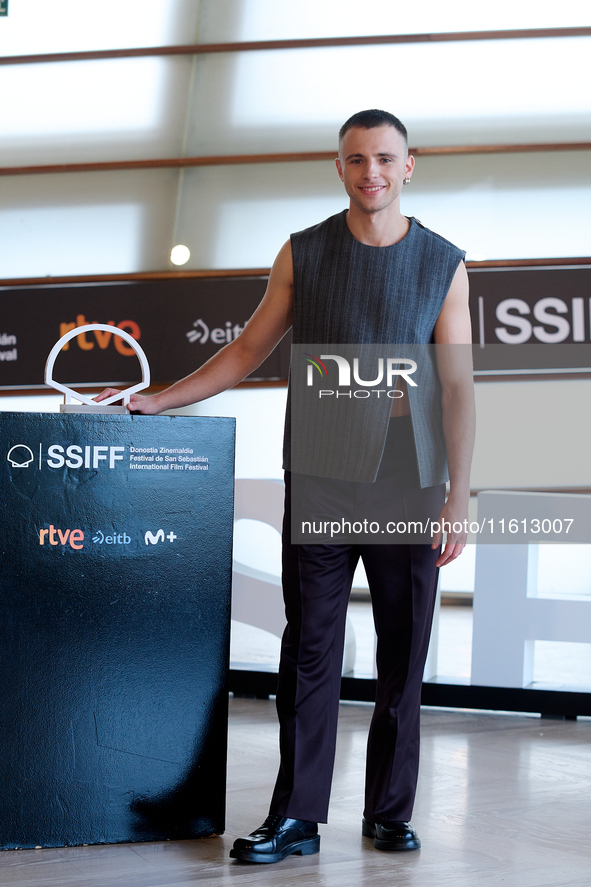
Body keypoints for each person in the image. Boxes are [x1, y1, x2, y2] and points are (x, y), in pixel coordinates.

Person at [97, 109, 475, 864]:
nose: (370, 170)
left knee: (403, 653)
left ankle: (388, 811)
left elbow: (458, 384)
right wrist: (157, 398)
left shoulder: (444, 263)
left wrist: (457, 496)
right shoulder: (302, 253)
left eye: (384, 158)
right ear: (337, 167)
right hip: (322, 475)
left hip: (408, 479)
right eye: (355, 158)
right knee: (310, 651)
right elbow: (245, 349)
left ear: (409, 168)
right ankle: (297, 817)